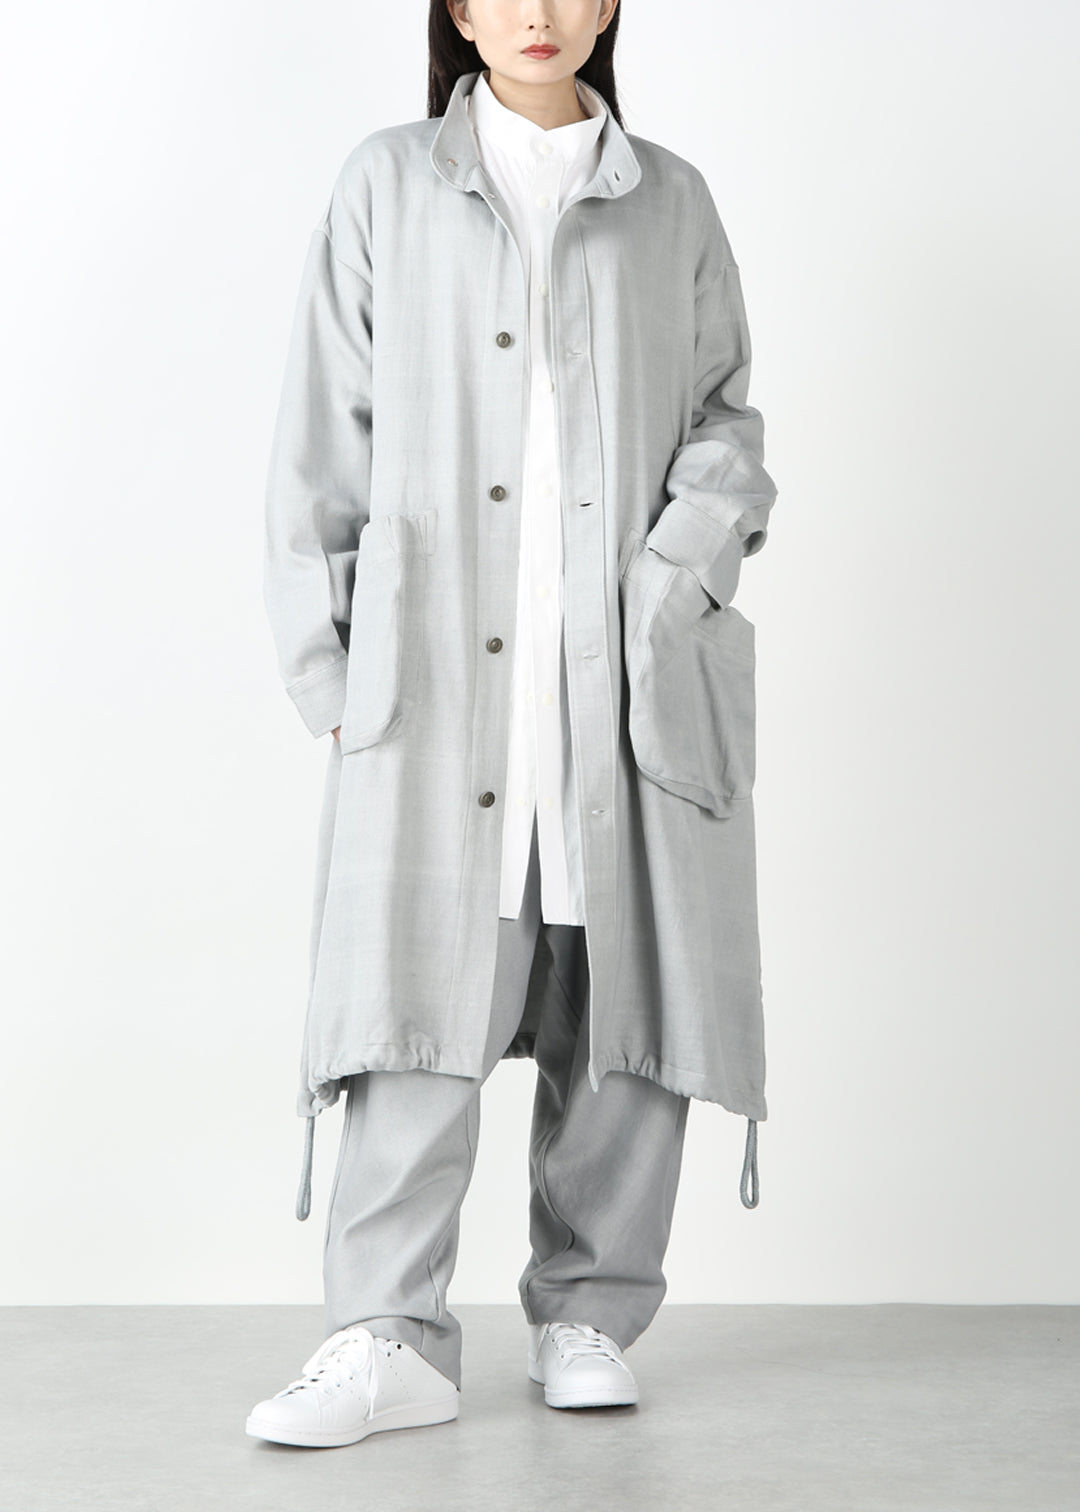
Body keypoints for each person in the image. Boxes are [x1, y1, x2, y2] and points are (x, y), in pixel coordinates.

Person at [247, 0, 779, 1450]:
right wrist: (331, 671)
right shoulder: (388, 182)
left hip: (621, 676)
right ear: (459, 11)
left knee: (622, 997)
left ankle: (590, 1310)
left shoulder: (672, 203)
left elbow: (728, 424)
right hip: (439, 674)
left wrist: (674, 574)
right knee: (416, 1004)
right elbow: (322, 433)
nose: (537, 13)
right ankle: (386, 1335)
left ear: (608, 5)